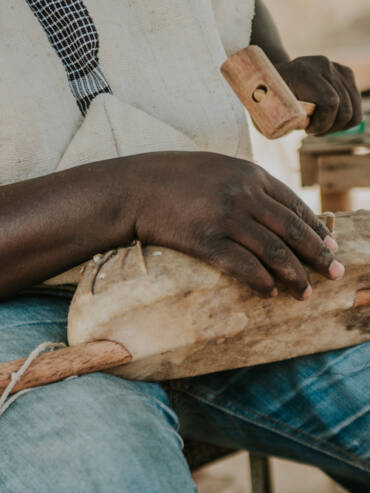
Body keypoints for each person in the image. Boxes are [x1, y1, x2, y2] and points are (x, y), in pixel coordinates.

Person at [0, 1, 368, 491]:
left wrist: (272, 63)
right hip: (21, 300)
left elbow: (235, 9)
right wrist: (136, 194)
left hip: (220, 254)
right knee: (106, 475)